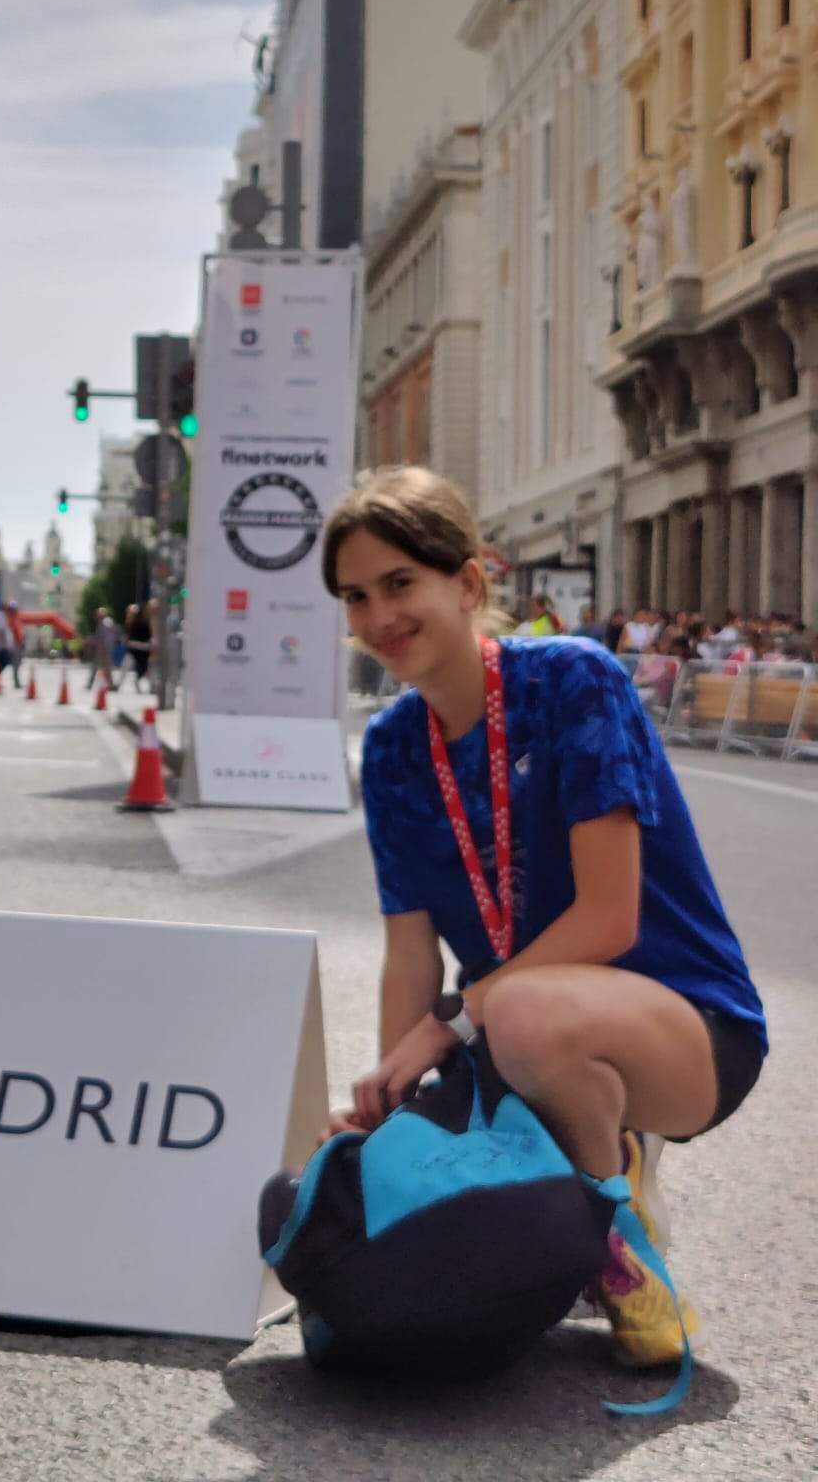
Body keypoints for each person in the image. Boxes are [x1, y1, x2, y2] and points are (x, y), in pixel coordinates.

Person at [321, 465, 765, 1376]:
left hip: (686, 1026)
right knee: (387, 1157)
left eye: (401, 583)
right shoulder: (395, 746)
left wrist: (448, 1025)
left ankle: (624, 1247)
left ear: (469, 583)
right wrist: (394, 1092)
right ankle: (592, 1163)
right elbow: (411, 953)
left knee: (518, 1017)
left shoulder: (574, 681)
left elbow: (608, 919)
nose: (379, 618)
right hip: (510, 1030)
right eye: (356, 597)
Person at [124, 603, 153, 693]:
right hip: (134, 651)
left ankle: (152, 687)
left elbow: (148, 637)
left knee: (146, 669)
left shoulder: (144, 623)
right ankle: (119, 684)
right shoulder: (130, 624)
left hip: (143, 650)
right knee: (126, 665)